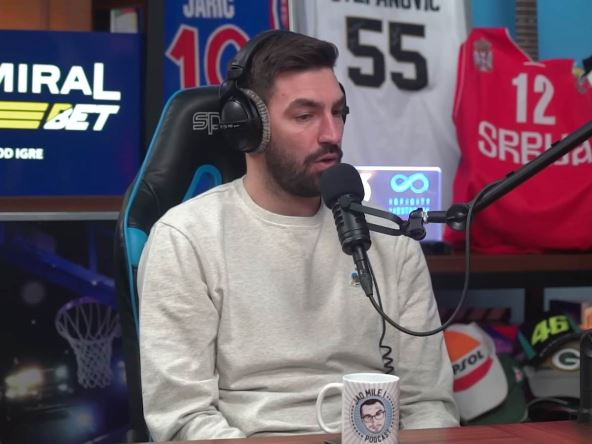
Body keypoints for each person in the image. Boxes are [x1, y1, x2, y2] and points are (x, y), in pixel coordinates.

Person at [138, 30, 459, 441]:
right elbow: (183, 420)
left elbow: (429, 404)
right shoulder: (186, 239)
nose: (331, 134)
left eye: (338, 112)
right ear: (248, 127)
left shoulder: (390, 241)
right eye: (305, 116)